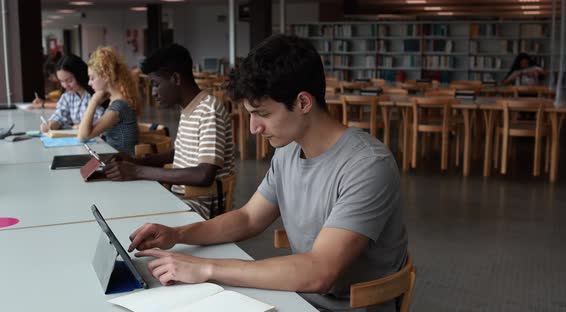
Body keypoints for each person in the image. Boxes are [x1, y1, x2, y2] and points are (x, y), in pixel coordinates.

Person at [127, 35, 408, 312]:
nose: (253, 128)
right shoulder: (288, 151)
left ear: (303, 103)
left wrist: (206, 267)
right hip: (299, 297)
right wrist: (177, 234)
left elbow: (320, 271)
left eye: (262, 113)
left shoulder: (367, 165)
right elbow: (249, 218)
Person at [104, 43, 235, 219]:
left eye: (156, 84)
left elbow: (204, 175)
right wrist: (136, 162)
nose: (154, 92)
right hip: (182, 198)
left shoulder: (208, 110)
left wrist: (136, 171)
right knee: (121, 203)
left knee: (126, 211)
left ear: (175, 79)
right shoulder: (190, 108)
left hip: (201, 206)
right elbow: (182, 151)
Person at [77, 46, 140, 155]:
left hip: (122, 164)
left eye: (92, 78)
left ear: (106, 76)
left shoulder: (119, 106)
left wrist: (94, 101)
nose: (89, 83)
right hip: (117, 159)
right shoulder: (117, 100)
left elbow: (83, 136)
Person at [35, 54, 105, 132]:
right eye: (61, 81)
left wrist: (83, 126)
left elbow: (102, 121)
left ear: (79, 75)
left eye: (69, 81)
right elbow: (61, 114)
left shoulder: (96, 94)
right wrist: (52, 123)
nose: (65, 85)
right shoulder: (68, 96)